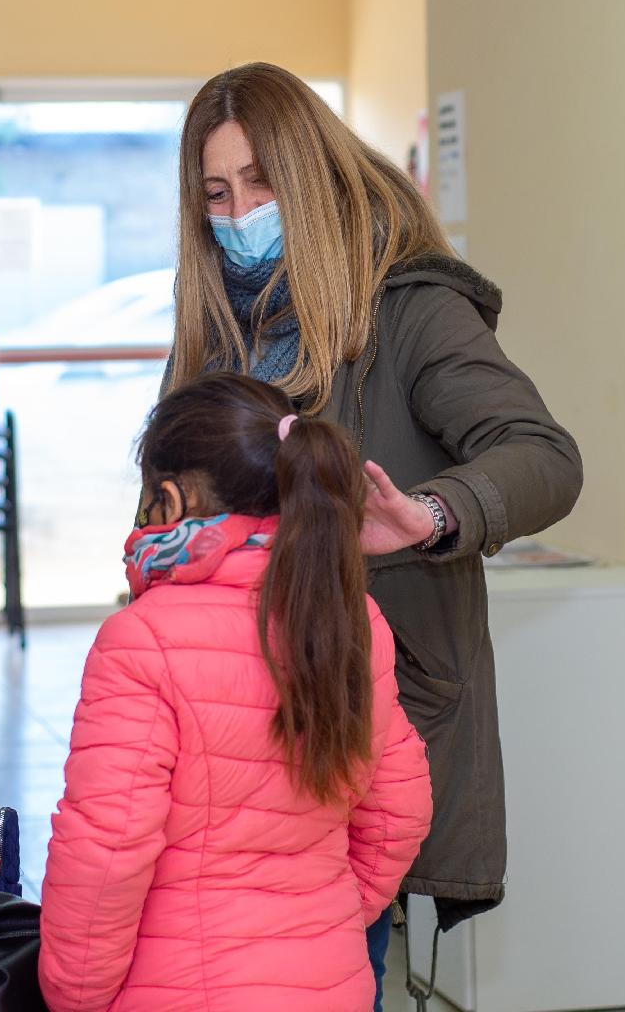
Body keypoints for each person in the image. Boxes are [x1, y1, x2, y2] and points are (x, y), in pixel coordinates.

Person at [167, 62, 583, 1006]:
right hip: (230, 717)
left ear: (310, 174)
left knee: (336, 967)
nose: (239, 213)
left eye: (262, 183)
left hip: (351, 718)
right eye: (217, 193)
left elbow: (541, 454)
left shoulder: (407, 307)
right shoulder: (215, 323)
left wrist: (430, 514)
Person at [39, 373, 432, 1011]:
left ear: (169, 498)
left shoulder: (141, 640)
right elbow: (400, 806)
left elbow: (107, 851)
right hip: (330, 984)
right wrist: (323, 916)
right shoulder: (353, 617)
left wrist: (74, 996)